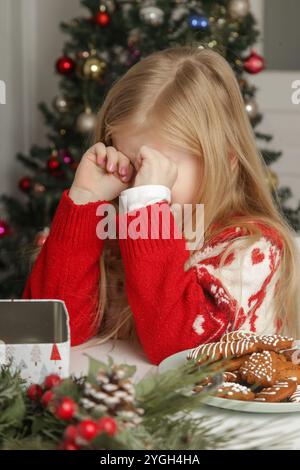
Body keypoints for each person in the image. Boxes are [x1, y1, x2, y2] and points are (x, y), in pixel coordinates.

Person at [22, 45, 300, 365]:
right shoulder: (113, 230)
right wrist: (85, 201)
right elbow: (50, 333)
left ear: (225, 160)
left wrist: (147, 205)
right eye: (131, 161)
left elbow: (179, 352)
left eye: (161, 167)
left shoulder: (251, 248)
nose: (140, 181)